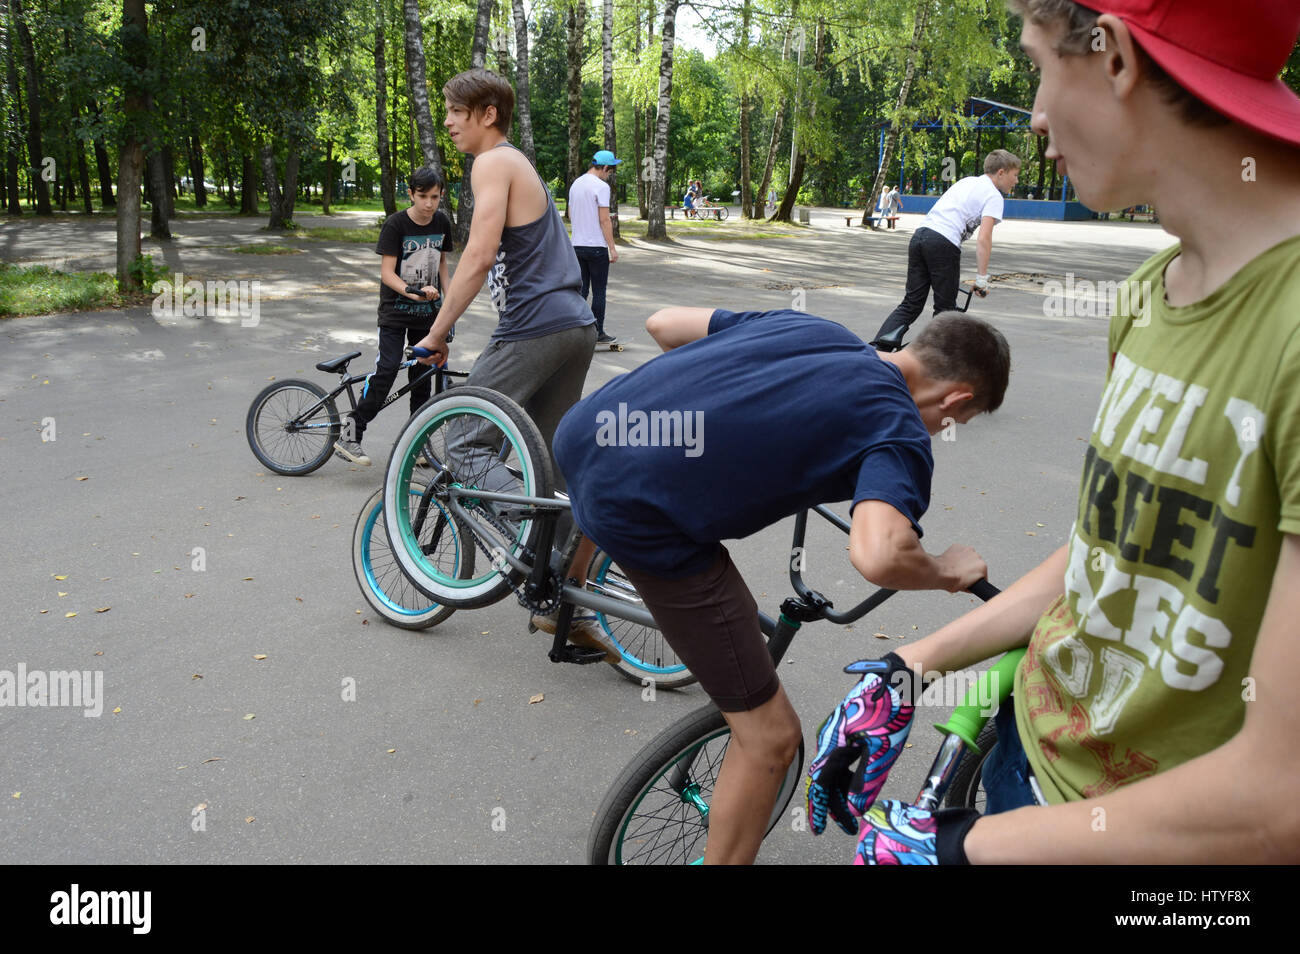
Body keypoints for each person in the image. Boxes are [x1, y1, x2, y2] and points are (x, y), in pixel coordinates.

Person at [808, 0, 1300, 865]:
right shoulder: (1151, 293)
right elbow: (1103, 559)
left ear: (1113, 57)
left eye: (1039, 65)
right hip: (1026, 763)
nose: (1034, 116)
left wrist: (961, 850)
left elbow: (1276, 797)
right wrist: (910, 666)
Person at [554, 307, 1010, 864]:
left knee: (726, 615)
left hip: (584, 432)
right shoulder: (898, 428)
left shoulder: (820, 329)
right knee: (772, 739)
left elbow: (663, 324)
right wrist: (946, 570)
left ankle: (568, 580)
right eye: (956, 422)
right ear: (958, 400)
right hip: (635, 515)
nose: (943, 430)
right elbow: (879, 553)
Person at [410, 68, 618, 661]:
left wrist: (435, 333)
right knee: (549, 468)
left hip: (535, 328)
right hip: (575, 328)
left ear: (487, 115)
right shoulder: (516, 164)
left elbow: (477, 256)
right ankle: (562, 600)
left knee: (463, 445)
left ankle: (537, 553)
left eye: (455, 111)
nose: (448, 122)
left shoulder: (493, 163)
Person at [335, 165, 452, 466]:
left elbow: (441, 267)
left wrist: (449, 307)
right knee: (387, 369)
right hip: (395, 312)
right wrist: (412, 290)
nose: (429, 204)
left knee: (422, 378)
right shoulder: (396, 224)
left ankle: (419, 444)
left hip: (426, 314)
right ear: (411, 193)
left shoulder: (441, 221)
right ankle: (351, 434)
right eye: (423, 196)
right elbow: (387, 273)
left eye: (435, 197)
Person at [870, 151, 1021, 350]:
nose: (1016, 181)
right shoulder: (994, 195)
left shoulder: (967, 182)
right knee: (946, 312)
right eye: (1015, 175)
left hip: (920, 237)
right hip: (943, 242)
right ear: (1001, 172)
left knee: (912, 302)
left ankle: (877, 352)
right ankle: (935, 362)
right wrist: (981, 279)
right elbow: (984, 238)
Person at [568, 150, 621, 345]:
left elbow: (573, 215)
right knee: (599, 291)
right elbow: (604, 220)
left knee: (580, 291)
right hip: (596, 247)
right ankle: (597, 332)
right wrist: (612, 248)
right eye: (611, 170)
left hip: (577, 245)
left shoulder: (576, 184)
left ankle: (576, 330)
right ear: (605, 167)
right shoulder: (601, 186)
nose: (610, 174)